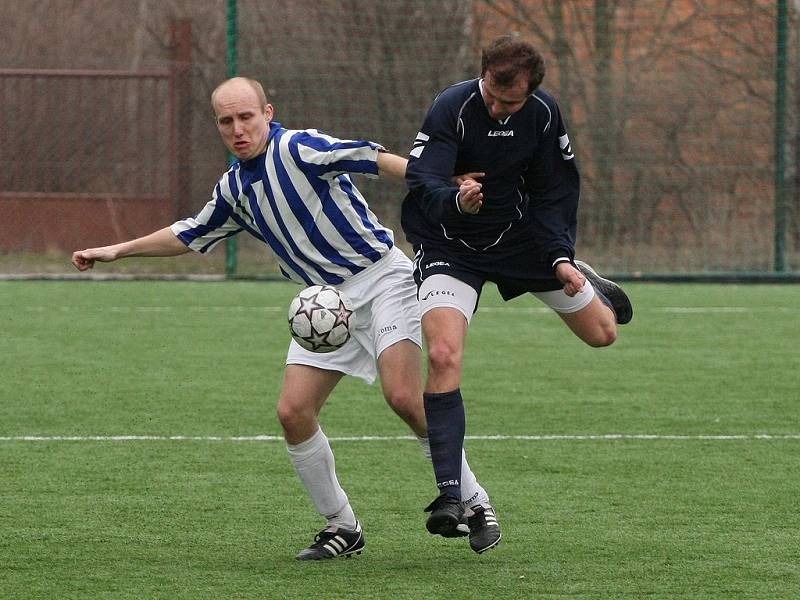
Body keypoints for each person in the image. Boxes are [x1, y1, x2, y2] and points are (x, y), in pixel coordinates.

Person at [72, 77, 497, 560]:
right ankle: (343, 525)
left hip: (382, 280)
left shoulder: (300, 147)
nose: (237, 129)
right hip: (326, 305)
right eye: (226, 121)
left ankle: (475, 501)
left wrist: (443, 183)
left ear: (267, 113)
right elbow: (188, 233)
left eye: (246, 117)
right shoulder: (234, 188)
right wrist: (117, 251)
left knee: (402, 396)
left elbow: (372, 159)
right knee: (292, 412)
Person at [401, 36, 634, 550]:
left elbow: (556, 190)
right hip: (451, 244)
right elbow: (423, 176)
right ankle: (450, 496)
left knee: (603, 335)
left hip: (524, 241)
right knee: (442, 353)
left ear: (531, 93)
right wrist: (456, 199)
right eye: (493, 94)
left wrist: (558, 255)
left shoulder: (545, 115)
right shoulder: (453, 105)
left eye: (511, 103)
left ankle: (580, 272)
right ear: (483, 74)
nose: (499, 107)